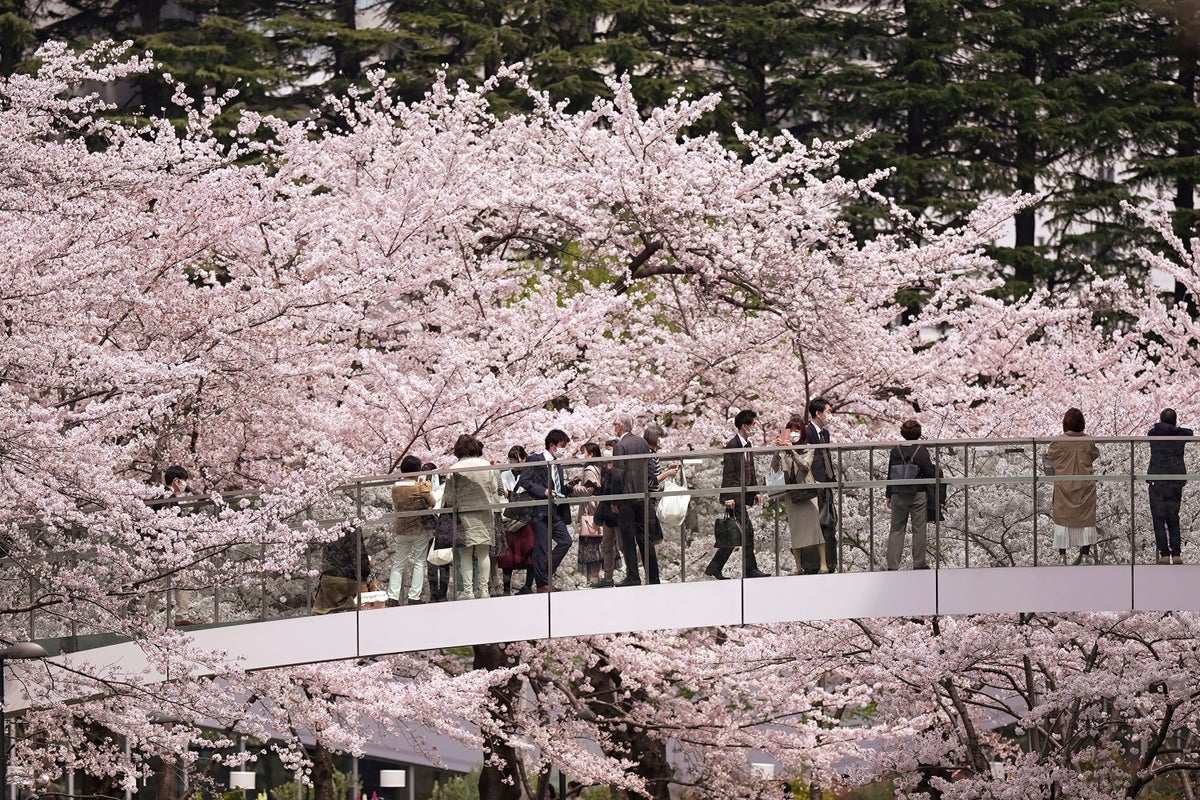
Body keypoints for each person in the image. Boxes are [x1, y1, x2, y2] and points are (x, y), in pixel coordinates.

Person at [706, 409, 769, 579]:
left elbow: (751, 470)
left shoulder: (747, 445)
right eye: (753, 424)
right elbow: (728, 473)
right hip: (734, 496)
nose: (755, 427)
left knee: (738, 532)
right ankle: (750, 569)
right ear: (744, 425)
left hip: (743, 494)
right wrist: (728, 497)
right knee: (745, 531)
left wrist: (754, 492)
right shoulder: (733, 446)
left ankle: (715, 567)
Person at [517, 429, 576, 592]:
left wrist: (568, 488)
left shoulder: (557, 465)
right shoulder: (536, 459)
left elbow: (556, 487)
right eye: (562, 446)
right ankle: (542, 584)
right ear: (552, 445)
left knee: (566, 541)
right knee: (542, 547)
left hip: (555, 511)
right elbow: (524, 481)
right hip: (539, 511)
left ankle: (544, 573)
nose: (563, 450)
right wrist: (543, 491)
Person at [442, 434, 499, 600]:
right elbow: (494, 488)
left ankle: (468, 591)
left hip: (463, 514)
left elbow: (449, 497)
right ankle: (484, 590)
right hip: (484, 512)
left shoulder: (453, 469)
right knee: (483, 552)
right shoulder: (485, 465)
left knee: (465, 554)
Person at [1046, 407, 1100, 565]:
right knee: (1086, 523)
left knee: (1063, 522)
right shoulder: (1088, 442)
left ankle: (1062, 556)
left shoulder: (1058, 442)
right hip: (1085, 487)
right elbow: (1094, 455)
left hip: (1064, 486)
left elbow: (1050, 457)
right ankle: (1085, 556)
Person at [772, 416, 826, 574]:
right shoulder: (783, 451)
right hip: (791, 493)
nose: (794, 434)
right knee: (795, 528)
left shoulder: (808, 448)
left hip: (807, 492)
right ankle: (797, 566)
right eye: (791, 431)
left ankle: (823, 563)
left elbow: (805, 466)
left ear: (802, 432)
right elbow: (774, 467)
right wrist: (777, 451)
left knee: (815, 527)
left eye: (797, 430)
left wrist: (792, 451)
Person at [148, 465, 199, 626]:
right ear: (176, 481)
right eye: (183, 481)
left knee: (179, 579)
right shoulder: (166, 496)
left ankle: (181, 616)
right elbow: (165, 523)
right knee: (160, 583)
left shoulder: (165, 496)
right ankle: (145, 617)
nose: (184, 485)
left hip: (169, 548)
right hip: (164, 548)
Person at [611, 414, 658, 586]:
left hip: (627, 499)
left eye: (615, 424)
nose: (614, 427)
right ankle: (653, 577)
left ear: (621, 427)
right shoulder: (642, 442)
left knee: (628, 539)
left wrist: (615, 501)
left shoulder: (620, 446)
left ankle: (633, 576)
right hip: (643, 496)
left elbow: (617, 475)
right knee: (646, 538)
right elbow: (651, 467)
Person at [885, 419, 935, 570]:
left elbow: (890, 472)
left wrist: (889, 494)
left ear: (903, 433)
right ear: (919, 433)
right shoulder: (921, 450)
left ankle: (892, 565)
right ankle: (919, 563)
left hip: (898, 492)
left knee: (896, 529)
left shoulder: (895, 450)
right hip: (918, 493)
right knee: (918, 529)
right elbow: (928, 472)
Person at [388, 455, 435, 606]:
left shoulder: (395, 488)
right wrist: (428, 489)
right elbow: (432, 502)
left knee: (398, 563)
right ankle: (414, 596)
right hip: (418, 528)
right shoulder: (420, 487)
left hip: (402, 528)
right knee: (419, 562)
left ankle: (393, 597)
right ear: (417, 471)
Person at [1148, 408, 1193, 564]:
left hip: (1157, 481)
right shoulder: (1180, 434)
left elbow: (1151, 431)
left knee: (1158, 518)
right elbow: (1190, 432)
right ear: (1174, 421)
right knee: (1173, 518)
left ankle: (1164, 554)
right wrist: (1176, 429)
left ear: (1160, 420)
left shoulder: (1154, 434)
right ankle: (1177, 554)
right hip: (1175, 481)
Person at [804, 397, 838, 574]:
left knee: (829, 521)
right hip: (813, 484)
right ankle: (813, 564)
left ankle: (830, 562)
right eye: (828, 411)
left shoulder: (825, 434)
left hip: (826, 482)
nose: (830, 415)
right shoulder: (807, 432)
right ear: (818, 413)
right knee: (814, 523)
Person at [498, 445, 534, 594]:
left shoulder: (530, 472)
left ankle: (528, 585)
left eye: (516, 459)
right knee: (508, 555)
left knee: (530, 552)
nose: (514, 462)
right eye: (512, 459)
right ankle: (507, 588)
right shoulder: (504, 475)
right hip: (510, 516)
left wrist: (510, 495)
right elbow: (502, 494)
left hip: (527, 517)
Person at [312, 526, 371, 614]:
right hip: (346, 580)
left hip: (327, 578)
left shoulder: (328, 523)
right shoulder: (353, 525)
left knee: (322, 614)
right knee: (349, 615)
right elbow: (358, 553)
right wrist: (364, 576)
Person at [574, 442, 605, 582]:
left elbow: (589, 490)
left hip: (590, 510)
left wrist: (573, 488)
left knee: (591, 546)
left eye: (584, 452)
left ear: (591, 454)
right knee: (600, 545)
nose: (582, 455)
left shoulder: (589, 470)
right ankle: (597, 577)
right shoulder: (600, 467)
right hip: (600, 508)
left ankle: (593, 578)